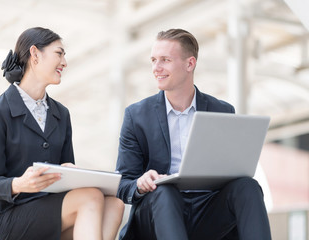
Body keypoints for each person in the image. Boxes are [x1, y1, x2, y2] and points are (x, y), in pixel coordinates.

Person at [116, 28, 272, 240]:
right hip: (157, 212)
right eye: (153, 60)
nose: (156, 68)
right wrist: (141, 184)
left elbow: (231, 171)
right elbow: (123, 184)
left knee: (248, 186)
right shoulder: (137, 116)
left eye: (165, 60)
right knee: (165, 191)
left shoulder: (222, 111)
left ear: (190, 64)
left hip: (206, 210)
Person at [0, 27, 124, 240]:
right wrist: (20, 184)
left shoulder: (61, 114)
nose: (65, 62)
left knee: (115, 204)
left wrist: (69, 170)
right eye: (59, 53)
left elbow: (68, 177)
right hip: (13, 213)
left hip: (54, 206)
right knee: (91, 198)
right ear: (35, 54)